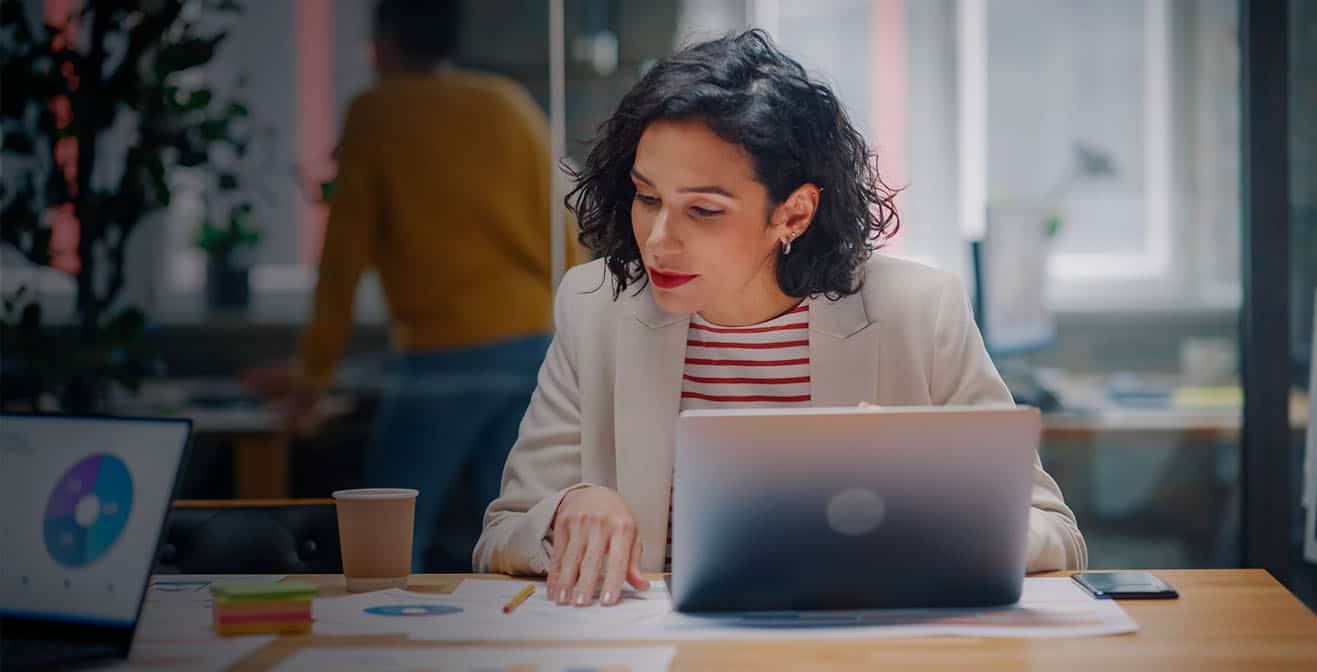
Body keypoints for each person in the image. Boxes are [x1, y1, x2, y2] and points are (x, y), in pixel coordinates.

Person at [472, 29, 1087, 606]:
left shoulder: (919, 311)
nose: (658, 239)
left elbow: (1056, 534)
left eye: (704, 211)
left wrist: (932, 496)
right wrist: (566, 510)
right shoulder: (595, 307)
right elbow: (500, 534)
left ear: (793, 214)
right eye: (648, 197)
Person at [245, 0, 573, 571]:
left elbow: (341, 261)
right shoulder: (506, 103)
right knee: (518, 536)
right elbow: (562, 232)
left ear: (386, 41)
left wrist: (314, 374)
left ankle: (391, 653)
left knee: (386, 543)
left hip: (442, 359)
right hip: (531, 348)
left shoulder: (378, 112)